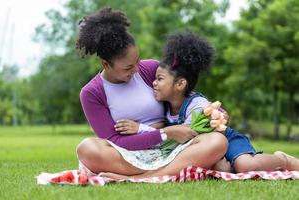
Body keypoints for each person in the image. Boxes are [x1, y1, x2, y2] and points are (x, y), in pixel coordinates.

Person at [114, 31, 299, 174]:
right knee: (221, 170)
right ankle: (225, 164)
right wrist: (138, 129)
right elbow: (167, 135)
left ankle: (283, 160)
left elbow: (199, 126)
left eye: (160, 79)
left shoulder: (196, 104)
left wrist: (140, 129)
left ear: (180, 84)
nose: (154, 83)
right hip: (207, 150)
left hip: (227, 140)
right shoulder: (165, 107)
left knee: (246, 165)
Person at [76, 7, 227, 177]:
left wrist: (213, 112)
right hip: (131, 155)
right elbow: (114, 140)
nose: (135, 70)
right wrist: (165, 133)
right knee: (87, 148)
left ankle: (143, 178)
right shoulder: (92, 93)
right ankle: (170, 171)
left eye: (137, 61)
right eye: (128, 67)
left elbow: (183, 92)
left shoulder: (148, 69)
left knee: (217, 141)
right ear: (106, 64)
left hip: (175, 148)